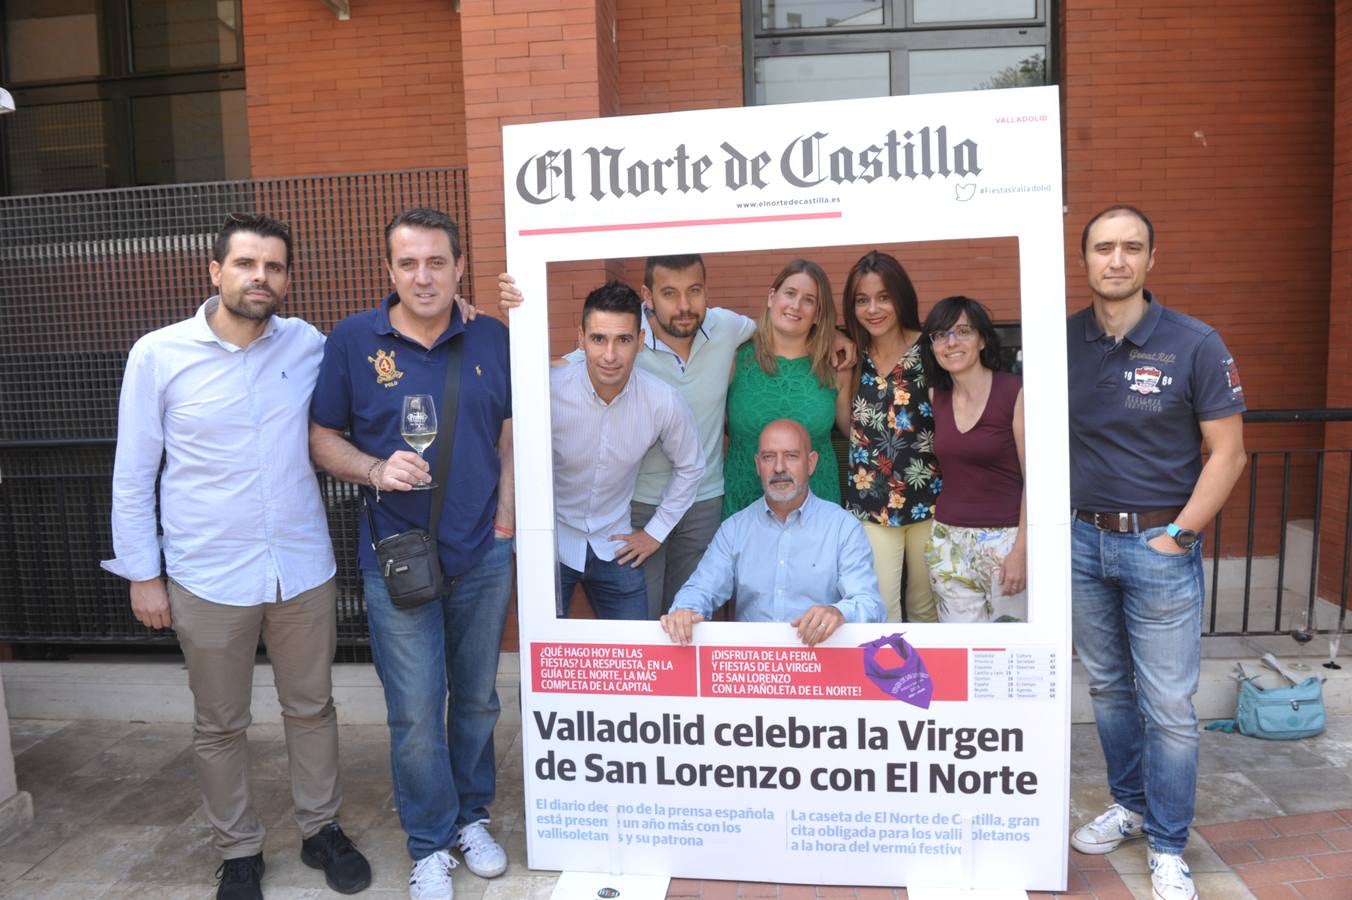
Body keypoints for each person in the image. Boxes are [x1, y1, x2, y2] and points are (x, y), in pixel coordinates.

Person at [102, 213, 371, 900]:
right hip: (207, 574)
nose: (261, 277)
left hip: (301, 568)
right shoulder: (158, 355)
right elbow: (134, 473)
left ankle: (320, 830)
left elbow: (378, 358)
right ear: (215, 271)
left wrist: (459, 307)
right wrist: (143, 574)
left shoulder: (308, 344)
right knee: (219, 723)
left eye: (275, 266)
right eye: (247, 264)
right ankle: (239, 850)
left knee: (312, 708)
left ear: (287, 278)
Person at [309, 208, 513, 900]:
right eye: (408, 263)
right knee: (417, 713)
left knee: (478, 702)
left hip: (482, 555)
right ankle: (429, 844)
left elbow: (511, 431)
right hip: (395, 559)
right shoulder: (352, 341)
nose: (422, 276)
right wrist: (372, 469)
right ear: (388, 270)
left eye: (436, 262)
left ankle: (471, 817)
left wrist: (507, 517)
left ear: (460, 267)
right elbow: (322, 437)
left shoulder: (493, 336)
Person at [499, 258, 853, 619]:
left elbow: (785, 324)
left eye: (694, 291)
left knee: (695, 617)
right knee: (646, 618)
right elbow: (572, 364)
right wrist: (519, 311)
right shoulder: (623, 338)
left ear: (706, 292)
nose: (684, 305)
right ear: (647, 298)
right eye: (669, 293)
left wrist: (834, 334)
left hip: (706, 501)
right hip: (639, 502)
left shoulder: (726, 328)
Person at [1066, 205, 1246, 900]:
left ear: (1150, 260)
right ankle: (1132, 806)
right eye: (1103, 248)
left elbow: (1227, 454)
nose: (1116, 260)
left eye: (1130, 248)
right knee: (1109, 690)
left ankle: (1170, 847)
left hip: (1158, 544)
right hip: (1082, 541)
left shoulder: (1195, 343)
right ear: (1084, 261)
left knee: (1169, 705)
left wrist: (1181, 536)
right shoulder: (1063, 341)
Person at [550, 280, 703, 619]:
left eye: (623, 340)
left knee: (636, 656)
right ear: (581, 339)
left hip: (613, 543)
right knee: (545, 657)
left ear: (640, 341)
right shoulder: (550, 390)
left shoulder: (662, 400)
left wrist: (655, 533)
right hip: (552, 543)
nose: (609, 355)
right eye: (598, 339)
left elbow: (691, 466)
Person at [661, 419, 885, 645]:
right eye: (769, 457)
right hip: (755, 667)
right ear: (758, 465)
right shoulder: (735, 529)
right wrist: (685, 610)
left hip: (821, 665)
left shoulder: (843, 528)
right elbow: (700, 588)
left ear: (811, 463)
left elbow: (870, 604)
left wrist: (838, 612)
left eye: (791, 456)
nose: (779, 468)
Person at [837, 250, 939, 623]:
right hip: (871, 503)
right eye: (862, 300)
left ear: (901, 297)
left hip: (931, 500)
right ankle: (889, 682)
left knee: (926, 607)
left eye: (883, 297)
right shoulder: (851, 354)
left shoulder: (931, 349)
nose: (873, 309)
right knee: (879, 607)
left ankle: (930, 683)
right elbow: (849, 425)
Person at [918, 296, 1026, 623]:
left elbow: (1037, 479)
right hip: (948, 541)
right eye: (940, 334)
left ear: (981, 339)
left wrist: (1021, 551)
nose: (951, 343)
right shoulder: (936, 396)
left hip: (1006, 541)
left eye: (963, 331)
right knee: (963, 656)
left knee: (1011, 655)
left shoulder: (1016, 391)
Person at [724, 259, 851, 517]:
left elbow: (859, 435)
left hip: (816, 510)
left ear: (818, 313)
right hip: (744, 505)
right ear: (772, 297)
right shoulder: (735, 359)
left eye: (809, 300)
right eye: (790, 293)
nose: (795, 306)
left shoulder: (836, 365)